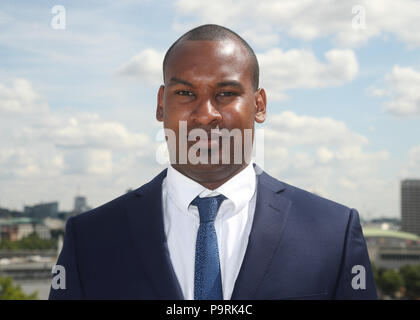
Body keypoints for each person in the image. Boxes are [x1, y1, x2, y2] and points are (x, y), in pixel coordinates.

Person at [49, 24, 377, 300]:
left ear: (259, 105)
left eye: (226, 93)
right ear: (161, 104)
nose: (206, 115)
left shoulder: (334, 233)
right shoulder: (89, 239)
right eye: (185, 94)